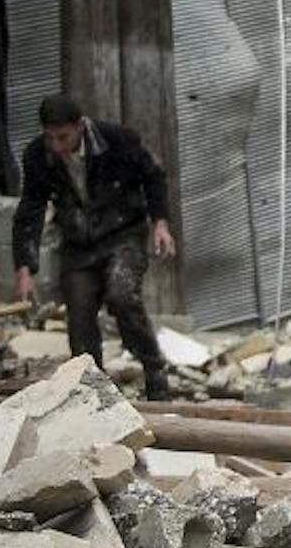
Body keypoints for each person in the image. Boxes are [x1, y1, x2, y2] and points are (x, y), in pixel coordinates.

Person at [11, 97, 177, 400]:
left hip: (123, 231)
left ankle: (154, 371)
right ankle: (92, 389)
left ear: (81, 126)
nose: (57, 146)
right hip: (78, 242)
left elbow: (153, 176)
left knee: (122, 294)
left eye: (63, 137)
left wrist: (161, 223)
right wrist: (25, 267)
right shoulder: (38, 155)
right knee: (79, 312)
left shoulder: (117, 140)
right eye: (50, 137)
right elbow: (31, 208)